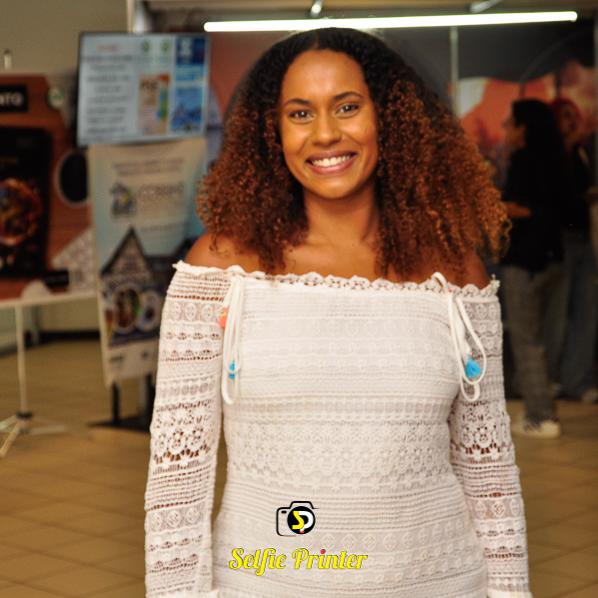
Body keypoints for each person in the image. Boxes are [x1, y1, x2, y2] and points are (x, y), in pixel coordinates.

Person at [144, 28, 531, 597]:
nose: (325, 133)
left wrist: (511, 591)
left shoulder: (454, 273)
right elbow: (178, 475)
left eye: (347, 107)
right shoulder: (222, 269)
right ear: (273, 132)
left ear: (389, 119)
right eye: (300, 113)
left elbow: (488, 469)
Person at [500, 99, 568, 439]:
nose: (505, 130)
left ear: (523, 128)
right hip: (552, 258)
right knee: (543, 338)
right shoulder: (556, 159)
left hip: (525, 261)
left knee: (526, 340)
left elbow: (526, 209)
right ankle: (541, 408)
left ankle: (541, 415)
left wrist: (499, 207)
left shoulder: (524, 161)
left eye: (510, 123)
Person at [550, 98, 598, 405]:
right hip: (561, 241)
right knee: (556, 314)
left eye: (573, 115)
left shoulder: (581, 153)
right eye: (565, 116)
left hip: (582, 238)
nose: (572, 121)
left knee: (586, 311)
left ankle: (576, 379)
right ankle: (552, 377)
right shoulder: (552, 155)